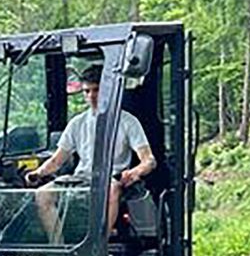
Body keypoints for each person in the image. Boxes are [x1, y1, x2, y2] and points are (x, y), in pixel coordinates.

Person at [24, 63, 156, 240]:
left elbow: (149, 160)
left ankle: (98, 246)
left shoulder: (127, 121)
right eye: (86, 91)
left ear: (109, 90)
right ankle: (59, 246)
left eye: (96, 90)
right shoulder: (77, 123)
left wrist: (134, 172)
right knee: (42, 194)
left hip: (111, 178)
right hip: (81, 179)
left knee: (111, 190)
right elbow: (57, 160)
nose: (91, 96)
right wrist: (38, 173)